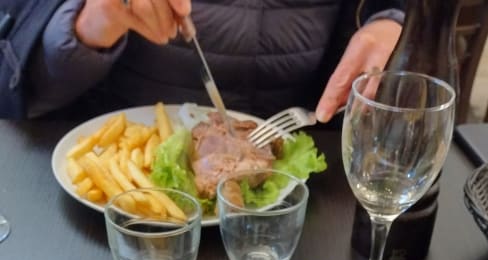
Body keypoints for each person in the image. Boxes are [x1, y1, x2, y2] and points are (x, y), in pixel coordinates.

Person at [0, 0, 404, 122]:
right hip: (112, 214)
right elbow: (13, 84)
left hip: (301, 204)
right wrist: (87, 26)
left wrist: (392, 21)